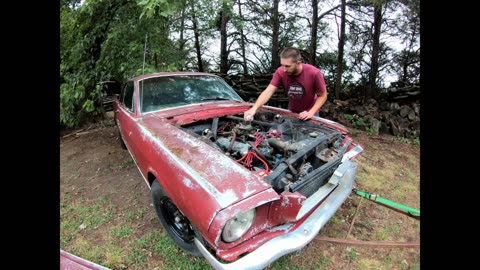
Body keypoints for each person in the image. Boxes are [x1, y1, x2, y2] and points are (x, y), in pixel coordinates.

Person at [244, 47, 328, 121]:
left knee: (310, 138)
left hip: (310, 114)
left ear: (298, 63)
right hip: (292, 112)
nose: (284, 69)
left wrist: (311, 112)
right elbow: (268, 91)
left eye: (287, 66)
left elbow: (323, 95)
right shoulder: (280, 72)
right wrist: (254, 108)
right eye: (282, 65)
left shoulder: (314, 73)